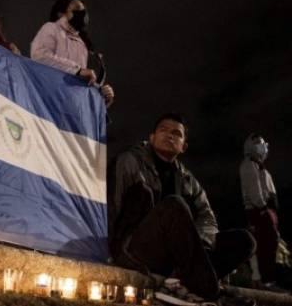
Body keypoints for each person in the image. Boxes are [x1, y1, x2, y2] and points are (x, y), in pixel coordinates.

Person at [108, 113, 256, 305]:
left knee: (246, 240)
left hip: (178, 256)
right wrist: (110, 253)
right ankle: (212, 293)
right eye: (163, 130)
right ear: (152, 137)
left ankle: (180, 283)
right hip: (137, 248)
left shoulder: (188, 180)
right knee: (174, 205)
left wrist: (199, 245)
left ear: (184, 146)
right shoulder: (129, 161)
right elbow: (111, 205)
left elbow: (207, 218)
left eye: (176, 133)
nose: (169, 135)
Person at [30, 0, 115, 106]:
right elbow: (40, 56)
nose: (82, 14)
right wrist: (78, 70)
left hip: (71, 107)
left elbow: (82, 84)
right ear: (61, 14)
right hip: (49, 102)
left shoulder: (83, 45)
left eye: (83, 11)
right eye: (76, 10)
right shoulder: (51, 28)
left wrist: (101, 95)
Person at [239, 133, 287, 292]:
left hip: (266, 211)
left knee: (270, 244)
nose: (264, 146)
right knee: (264, 246)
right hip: (259, 211)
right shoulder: (249, 165)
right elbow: (255, 192)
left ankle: (268, 280)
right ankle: (264, 281)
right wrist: (263, 209)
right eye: (259, 143)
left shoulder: (260, 167)